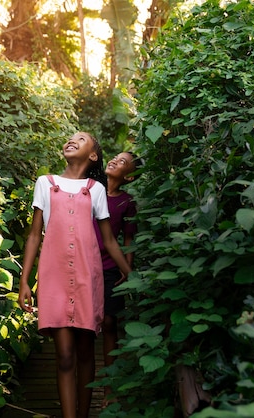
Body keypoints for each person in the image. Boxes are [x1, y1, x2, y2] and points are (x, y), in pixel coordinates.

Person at [18, 132, 132, 418]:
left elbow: (109, 240)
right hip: (54, 277)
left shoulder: (96, 189)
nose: (72, 140)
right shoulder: (45, 183)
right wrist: (25, 280)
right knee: (65, 356)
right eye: (70, 138)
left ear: (93, 155)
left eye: (81, 139)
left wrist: (130, 273)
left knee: (84, 353)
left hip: (87, 277)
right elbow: (34, 235)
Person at [93, 151, 140, 407]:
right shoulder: (91, 190)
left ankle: (110, 388)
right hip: (84, 265)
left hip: (110, 267)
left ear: (129, 177)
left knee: (110, 323)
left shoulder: (127, 202)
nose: (114, 161)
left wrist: (127, 268)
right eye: (115, 157)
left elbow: (128, 238)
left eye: (122, 162)